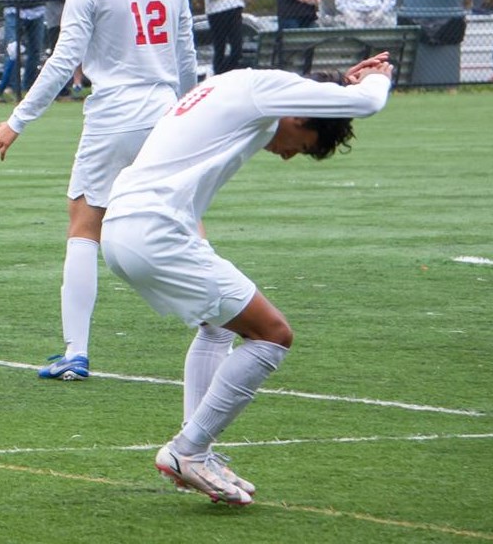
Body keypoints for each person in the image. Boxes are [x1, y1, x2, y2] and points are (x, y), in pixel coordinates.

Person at [101, 56, 394, 505]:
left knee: (219, 325)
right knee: (273, 334)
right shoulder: (265, 90)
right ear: (298, 117)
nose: (292, 153)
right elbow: (370, 104)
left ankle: (198, 447)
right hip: (153, 231)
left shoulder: (237, 89)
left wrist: (338, 87)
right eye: (304, 143)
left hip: (126, 228)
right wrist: (375, 79)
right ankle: (188, 450)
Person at [0, 0, 197, 382]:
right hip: (166, 116)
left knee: (84, 225)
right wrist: (189, 118)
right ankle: (219, 324)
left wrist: (16, 123)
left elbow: (61, 64)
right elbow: (186, 63)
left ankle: (75, 352)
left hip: (113, 117)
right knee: (183, 221)